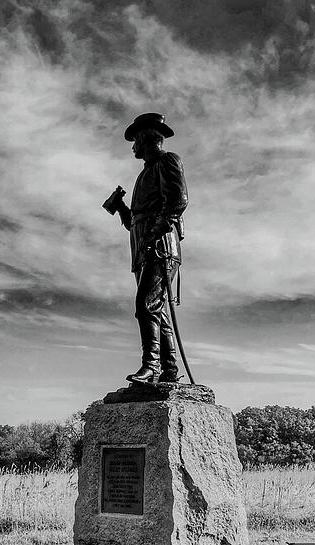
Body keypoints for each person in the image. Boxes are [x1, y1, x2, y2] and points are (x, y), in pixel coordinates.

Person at [112, 112, 188, 384]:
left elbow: (178, 201)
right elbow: (136, 220)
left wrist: (155, 234)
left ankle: (151, 366)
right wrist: (122, 209)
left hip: (160, 246)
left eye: (136, 141)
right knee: (156, 309)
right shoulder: (144, 174)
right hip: (143, 247)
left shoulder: (168, 161)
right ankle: (169, 370)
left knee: (146, 306)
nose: (133, 147)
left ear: (147, 138)